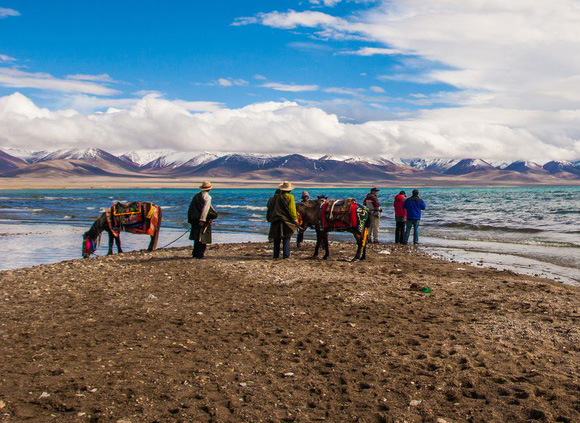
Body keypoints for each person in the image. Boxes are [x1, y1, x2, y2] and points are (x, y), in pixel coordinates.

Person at [267, 181, 299, 259]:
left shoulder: (274, 198)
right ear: (290, 190)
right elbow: (292, 210)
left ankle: (276, 255)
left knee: (276, 239)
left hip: (275, 220)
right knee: (286, 237)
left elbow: (269, 207)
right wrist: (295, 220)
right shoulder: (290, 197)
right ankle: (286, 255)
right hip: (286, 221)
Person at [187, 180, 218, 259]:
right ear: (209, 189)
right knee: (203, 237)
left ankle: (195, 253)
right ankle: (200, 254)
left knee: (197, 238)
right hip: (202, 220)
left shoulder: (197, 196)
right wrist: (202, 219)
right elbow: (205, 209)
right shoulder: (207, 197)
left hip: (194, 219)